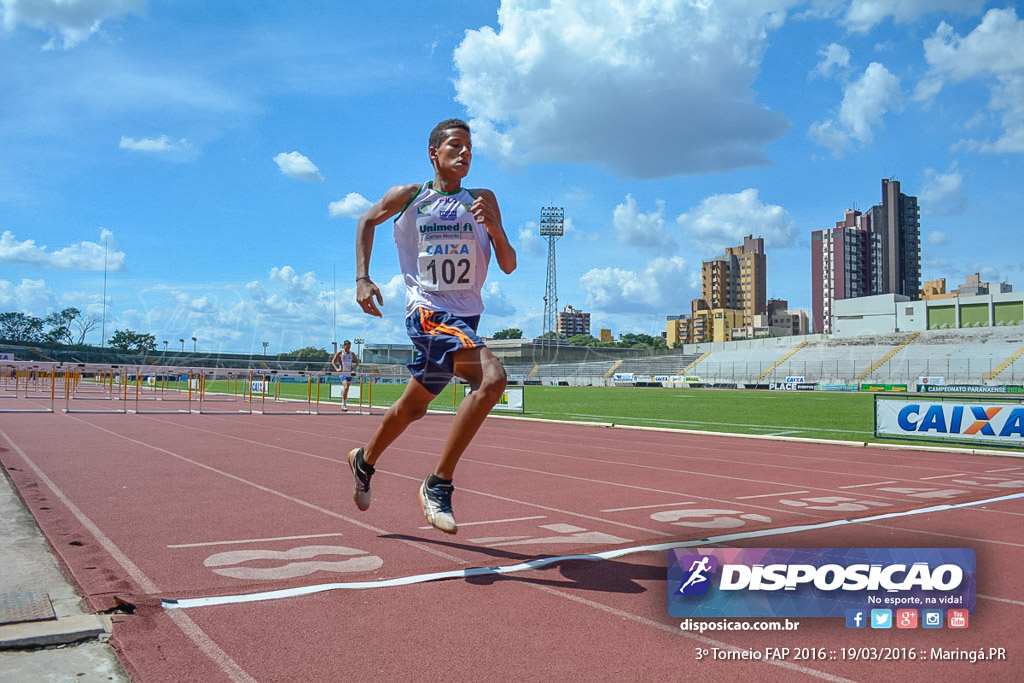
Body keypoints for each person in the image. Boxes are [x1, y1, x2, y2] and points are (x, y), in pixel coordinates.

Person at [347, 118, 517, 534]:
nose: (465, 154)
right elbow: (367, 221)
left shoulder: (483, 199)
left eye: (470, 148)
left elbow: (509, 264)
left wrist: (494, 228)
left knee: (413, 407)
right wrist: (362, 277)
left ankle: (364, 460)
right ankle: (438, 484)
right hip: (427, 311)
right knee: (492, 379)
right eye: (456, 146)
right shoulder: (410, 197)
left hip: (467, 316)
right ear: (434, 153)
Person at [331, 340, 359, 411]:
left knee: (346, 389)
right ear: (344, 346)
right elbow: (333, 361)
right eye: (346, 346)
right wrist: (337, 369)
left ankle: (344, 403)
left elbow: (357, 362)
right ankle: (343, 405)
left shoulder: (352, 354)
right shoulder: (340, 353)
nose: (348, 348)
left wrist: (353, 368)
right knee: (346, 387)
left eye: (349, 346)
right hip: (342, 373)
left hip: (349, 374)